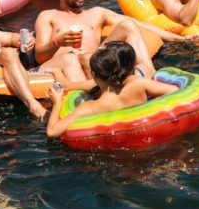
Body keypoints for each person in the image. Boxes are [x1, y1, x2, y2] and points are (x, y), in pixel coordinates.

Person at [35, 0, 190, 82]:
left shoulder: (97, 13)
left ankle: (149, 74)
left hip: (93, 61)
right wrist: (58, 42)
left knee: (128, 24)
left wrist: (179, 39)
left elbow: (138, 25)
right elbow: (39, 56)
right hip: (64, 63)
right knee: (71, 58)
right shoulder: (48, 16)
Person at [46, 43, 176, 138]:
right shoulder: (139, 84)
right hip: (149, 137)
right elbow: (174, 91)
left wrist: (57, 102)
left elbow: (52, 132)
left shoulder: (89, 108)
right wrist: (149, 108)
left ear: (95, 75)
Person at [0, 7, 46, 119]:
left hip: (12, 68)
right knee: (8, 53)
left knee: (66, 59)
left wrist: (20, 40)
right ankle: (33, 105)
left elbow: (10, 37)